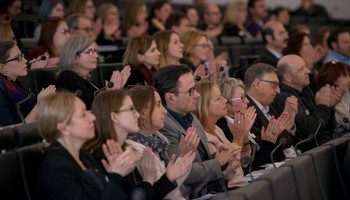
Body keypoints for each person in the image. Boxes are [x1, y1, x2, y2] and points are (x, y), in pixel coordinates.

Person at [84, 89, 195, 200]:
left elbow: (148, 196)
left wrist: (168, 178)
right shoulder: (102, 156)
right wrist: (148, 180)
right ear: (114, 117)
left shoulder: (124, 149)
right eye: (131, 109)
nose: (137, 114)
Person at [154, 64, 237, 197]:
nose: (197, 95)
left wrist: (222, 156)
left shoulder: (191, 117)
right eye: (191, 91)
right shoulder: (163, 127)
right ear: (170, 98)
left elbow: (200, 160)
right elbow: (183, 172)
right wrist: (217, 162)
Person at [37, 91, 133, 200]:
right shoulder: (55, 169)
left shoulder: (83, 155)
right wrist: (116, 176)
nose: (92, 117)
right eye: (83, 115)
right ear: (64, 128)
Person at [127, 85, 199, 199]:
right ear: (141, 112)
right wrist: (183, 156)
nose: (164, 111)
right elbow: (164, 194)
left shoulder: (156, 141)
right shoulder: (138, 149)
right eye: (158, 105)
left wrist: (184, 155)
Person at [194, 81, 252, 189]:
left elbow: (245, 162)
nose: (225, 100)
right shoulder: (204, 137)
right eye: (218, 99)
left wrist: (244, 136)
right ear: (204, 107)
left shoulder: (217, 130)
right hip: (231, 191)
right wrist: (238, 138)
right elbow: (225, 173)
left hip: (243, 185)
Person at [275, 55, 342, 146]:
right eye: (301, 69)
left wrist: (329, 107)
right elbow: (308, 129)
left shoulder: (305, 89)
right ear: (288, 77)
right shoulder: (285, 98)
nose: (308, 71)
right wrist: (323, 106)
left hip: (324, 144)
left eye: (306, 67)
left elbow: (327, 129)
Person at [56, 35, 131, 110]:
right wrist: (111, 94)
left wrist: (116, 89)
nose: (96, 55)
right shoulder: (68, 78)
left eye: (95, 51)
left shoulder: (87, 81)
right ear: (75, 57)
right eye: (90, 52)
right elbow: (91, 111)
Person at [244, 63, 297, 169]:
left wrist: (288, 126)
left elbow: (288, 140)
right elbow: (264, 147)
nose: (278, 91)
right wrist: (285, 130)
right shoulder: (246, 110)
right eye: (273, 85)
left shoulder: (270, 106)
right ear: (257, 84)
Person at [0, 41, 55, 126]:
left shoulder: (15, 85)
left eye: (22, 56)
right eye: (18, 58)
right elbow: (12, 132)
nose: (25, 60)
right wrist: (39, 105)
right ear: (2, 67)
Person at [216, 78, 257, 144]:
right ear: (226, 103)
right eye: (241, 98)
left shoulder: (244, 120)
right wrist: (245, 133)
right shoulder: (223, 128)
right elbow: (242, 154)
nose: (247, 101)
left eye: (245, 96)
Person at [318, 61, 350, 136]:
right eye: (344, 76)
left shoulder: (345, 93)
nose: (349, 80)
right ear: (333, 77)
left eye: (349, 76)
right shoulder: (322, 96)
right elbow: (346, 123)